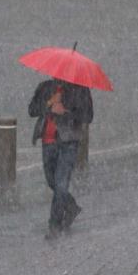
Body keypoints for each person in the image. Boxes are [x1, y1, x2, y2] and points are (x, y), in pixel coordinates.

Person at [29, 78, 93, 239]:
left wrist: (65, 111)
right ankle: (70, 206)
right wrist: (49, 103)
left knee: (61, 184)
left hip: (68, 142)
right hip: (47, 143)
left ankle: (54, 225)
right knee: (52, 182)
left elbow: (88, 115)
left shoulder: (80, 90)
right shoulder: (45, 87)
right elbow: (32, 110)